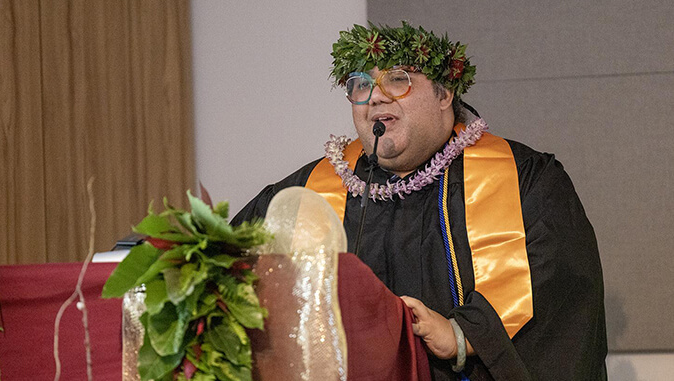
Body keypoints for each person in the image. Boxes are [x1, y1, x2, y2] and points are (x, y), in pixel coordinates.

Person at [232, 22, 607, 380]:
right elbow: (229, 277)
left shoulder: (526, 179)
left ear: (444, 94)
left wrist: (463, 335)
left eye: (397, 79)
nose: (375, 95)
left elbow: (562, 294)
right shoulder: (305, 194)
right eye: (360, 84)